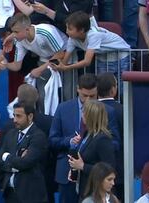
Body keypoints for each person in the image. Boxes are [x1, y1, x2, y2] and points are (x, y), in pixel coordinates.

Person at [49, 73, 119, 203]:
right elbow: (52, 140)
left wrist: (98, 146)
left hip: (92, 182)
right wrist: (69, 141)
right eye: (84, 95)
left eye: (91, 96)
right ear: (78, 89)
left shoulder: (107, 113)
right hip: (69, 175)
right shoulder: (63, 108)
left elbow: (114, 144)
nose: (87, 100)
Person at [0, 13, 67, 113]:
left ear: (27, 29)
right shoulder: (19, 40)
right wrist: (6, 64)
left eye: (16, 32)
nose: (13, 35)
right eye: (12, 32)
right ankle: (47, 123)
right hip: (45, 61)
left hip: (66, 60)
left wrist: (40, 69)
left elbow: (61, 54)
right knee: (42, 96)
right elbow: (17, 66)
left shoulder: (45, 32)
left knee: (66, 94)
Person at [52, 11, 130, 87]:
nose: (67, 31)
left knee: (123, 88)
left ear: (82, 30)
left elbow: (87, 61)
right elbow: (65, 61)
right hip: (103, 58)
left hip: (122, 56)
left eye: (70, 29)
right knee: (103, 87)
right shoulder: (72, 39)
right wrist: (59, 65)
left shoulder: (93, 35)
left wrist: (66, 68)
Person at [0, 102, 48, 203]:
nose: (15, 120)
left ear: (30, 116)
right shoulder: (10, 134)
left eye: (19, 116)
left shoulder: (38, 136)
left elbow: (25, 163)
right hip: (10, 194)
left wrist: (7, 157)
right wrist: (16, 163)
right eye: (14, 115)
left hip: (30, 195)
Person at [68, 100, 116, 200]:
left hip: (96, 193)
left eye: (84, 112)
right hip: (84, 188)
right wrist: (75, 167)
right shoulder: (88, 134)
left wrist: (83, 167)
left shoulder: (103, 139)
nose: (82, 114)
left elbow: (108, 169)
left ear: (91, 116)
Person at [97, 72, 124, 201]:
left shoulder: (91, 110)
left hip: (97, 169)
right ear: (113, 89)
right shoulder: (124, 110)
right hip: (121, 167)